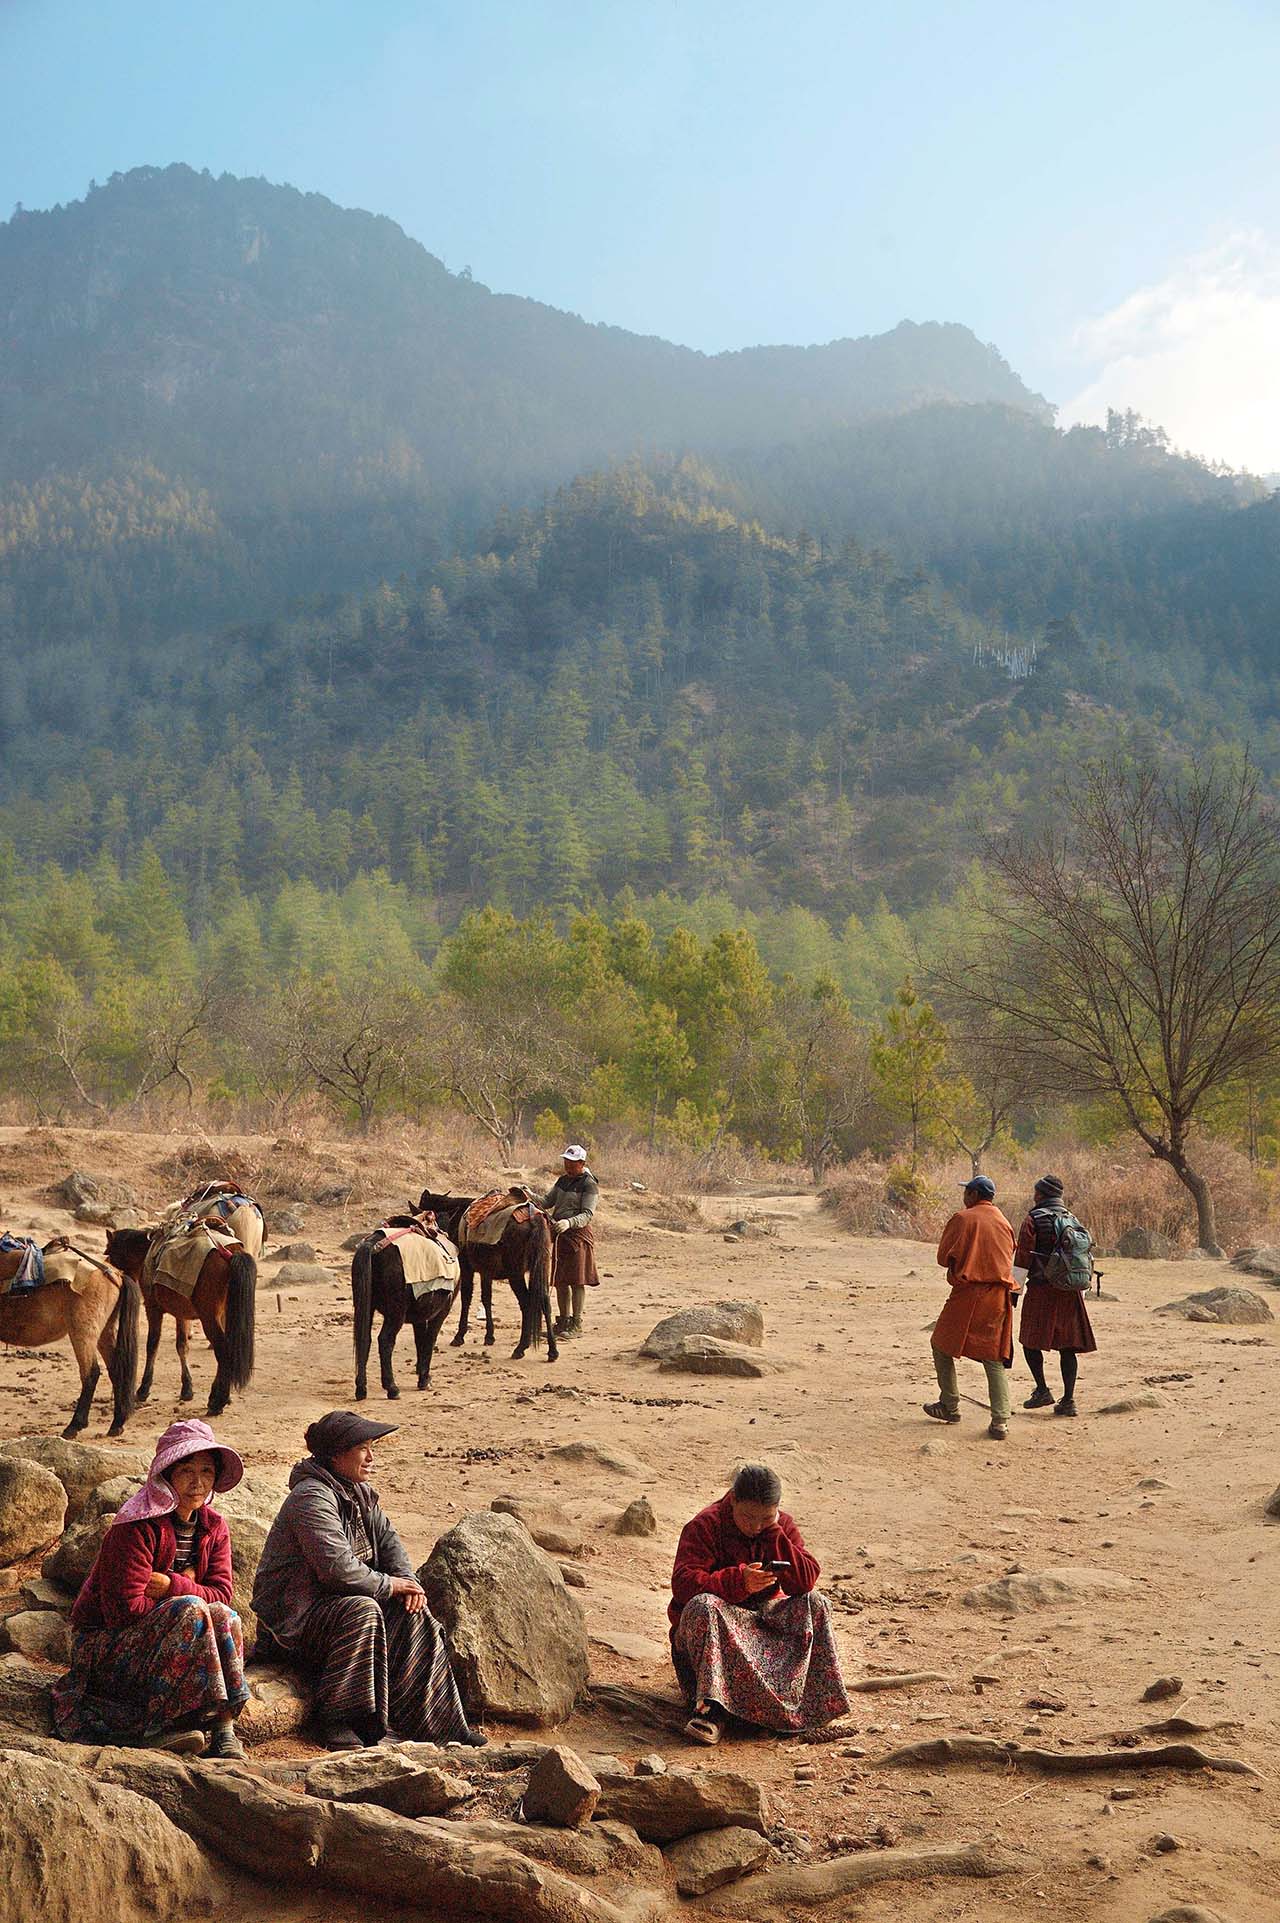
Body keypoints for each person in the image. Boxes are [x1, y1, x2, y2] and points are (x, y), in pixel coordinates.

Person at [252, 1410, 483, 1752]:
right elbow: (338, 1569)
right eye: (363, 1448)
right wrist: (391, 1586)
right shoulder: (311, 1498)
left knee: (413, 1614)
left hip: (338, 1614)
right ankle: (340, 1719)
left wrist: (408, 1583)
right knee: (363, 1609)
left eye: (372, 1447)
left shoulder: (360, 1494)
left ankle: (441, 1724)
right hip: (294, 1626)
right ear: (335, 1455)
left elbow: (392, 1548)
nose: (371, 1457)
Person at [53, 1418, 248, 1756]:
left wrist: (173, 1584)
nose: (198, 1482)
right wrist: (185, 1602)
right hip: (106, 1646)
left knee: (224, 1615)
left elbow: (222, 1593)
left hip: (168, 1637)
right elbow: (124, 1610)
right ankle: (156, 1727)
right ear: (167, 1474)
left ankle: (222, 1726)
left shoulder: (214, 1527)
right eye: (187, 1470)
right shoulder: (136, 1527)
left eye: (206, 1471)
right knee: (192, 1610)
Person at [668, 1462, 849, 1746]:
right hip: (720, 1628)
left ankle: (812, 1705)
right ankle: (711, 1711)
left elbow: (805, 1583)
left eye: (765, 1518)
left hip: (763, 1627)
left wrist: (775, 1533)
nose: (755, 1527)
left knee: (816, 1603)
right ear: (733, 1502)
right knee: (703, 1605)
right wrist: (738, 1582)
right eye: (747, 1517)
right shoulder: (705, 1525)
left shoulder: (779, 1526)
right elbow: (682, 1584)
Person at [927, 1174, 1017, 1441]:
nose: (964, 1196)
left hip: (968, 1294)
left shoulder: (962, 1219)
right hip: (999, 1296)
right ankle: (1000, 1420)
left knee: (941, 1344)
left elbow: (944, 1258)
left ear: (974, 1195)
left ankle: (950, 1405)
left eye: (967, 1192)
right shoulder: (1004, 1222)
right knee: (993, 1357)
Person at [1015, 1172, 1097, 1417]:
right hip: (1070, 1293)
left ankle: (1042, 1389)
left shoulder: (1033, 1219)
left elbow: (1022, 1258)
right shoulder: (1072, 1218)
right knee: (1068, 1346)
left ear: (1040, 1194)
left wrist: (1014, 1291)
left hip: (1042, 1290)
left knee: (1030, 1341)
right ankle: (1069, 1400)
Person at [543, 1144, 599, 1340]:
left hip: (578, 1237)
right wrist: (528, 1195)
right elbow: (546, 1202)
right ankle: (563, 1321)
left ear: (582, 1163)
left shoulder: (589, 1184)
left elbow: (587, 1214)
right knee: (560, 1281)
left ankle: (576, 1323)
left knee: (577, 1281)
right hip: (560, 1236)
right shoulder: (562, 1181)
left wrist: (569, 1222)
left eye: (572, 1162)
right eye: (566, 1161)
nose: (568, 1165)